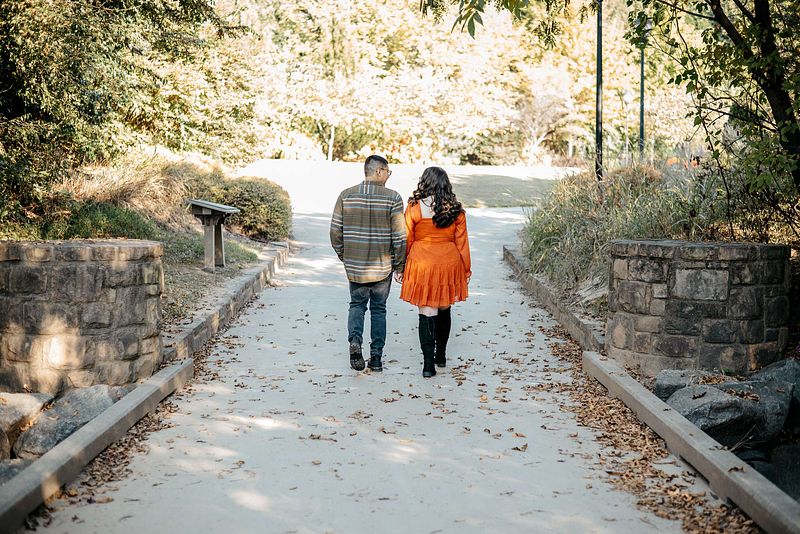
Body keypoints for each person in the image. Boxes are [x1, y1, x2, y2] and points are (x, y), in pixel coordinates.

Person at [330, 155, 406, 372]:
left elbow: (335, 231)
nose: (388, 177)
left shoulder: (346, 195)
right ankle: (377, 358)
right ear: (379, 171)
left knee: (356, 305)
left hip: (355, 266)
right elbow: (400, 237)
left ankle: (355, 341)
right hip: (382, 266)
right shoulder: (393, 198)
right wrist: (399, 265)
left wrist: (345, 255)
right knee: (379, 309)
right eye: (388, 172)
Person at [399, 167, 471, 377]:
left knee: (427, 311)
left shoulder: (414, 207)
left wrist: (402, 266)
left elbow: (407, 238)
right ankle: (441, 355)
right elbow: (462, 242)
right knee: (444, 307)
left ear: (425, 182)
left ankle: (428, 365)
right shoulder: (456, 209)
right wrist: (466, 268)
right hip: (448, 261)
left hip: (422, 260)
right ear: (446, 184)